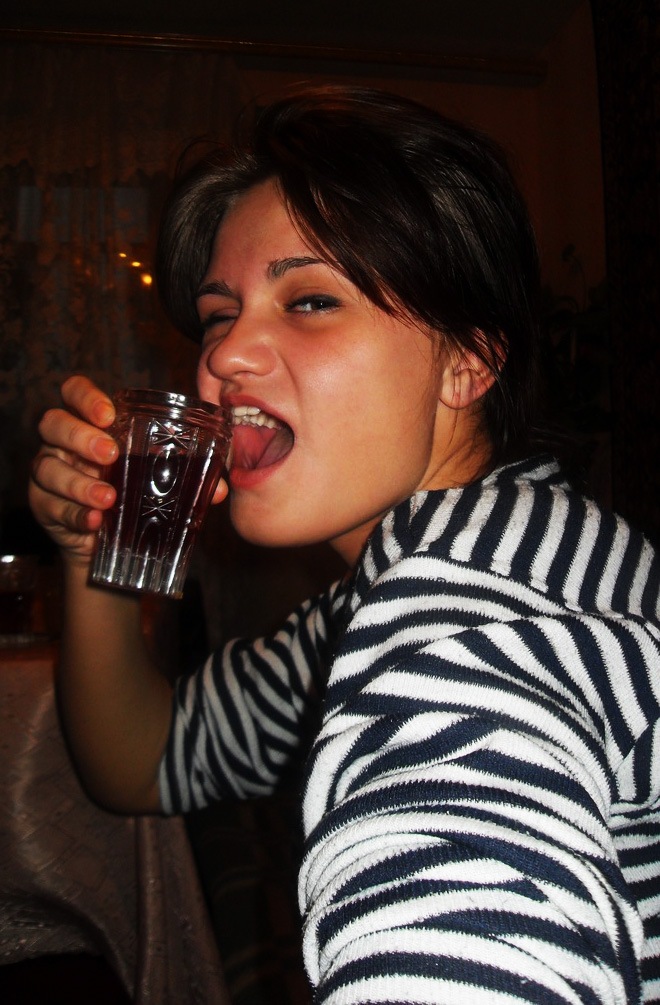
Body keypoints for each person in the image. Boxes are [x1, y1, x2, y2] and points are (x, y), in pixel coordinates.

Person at [29, 86, 660, 1004]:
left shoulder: (467, 618)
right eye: (219, 313)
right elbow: (143, 756)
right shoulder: (393, 595)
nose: (223, 356)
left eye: (311, 300)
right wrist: (93, 558)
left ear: (467, 361)